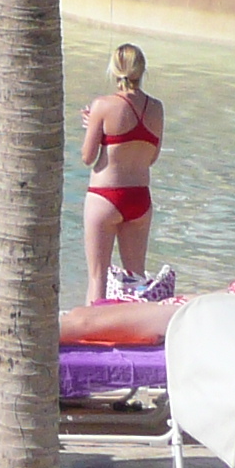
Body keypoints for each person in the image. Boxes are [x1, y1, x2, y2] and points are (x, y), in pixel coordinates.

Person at [81, 42, 164, 304]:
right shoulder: (156, 108)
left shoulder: (103, 105)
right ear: (142, 70)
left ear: (113, 70)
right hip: (139, 197)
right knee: (136, 279)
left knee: (98, 278)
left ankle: (92, 337)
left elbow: (87, 157)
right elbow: (152, 157)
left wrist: (91, 125)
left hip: (105, 196)